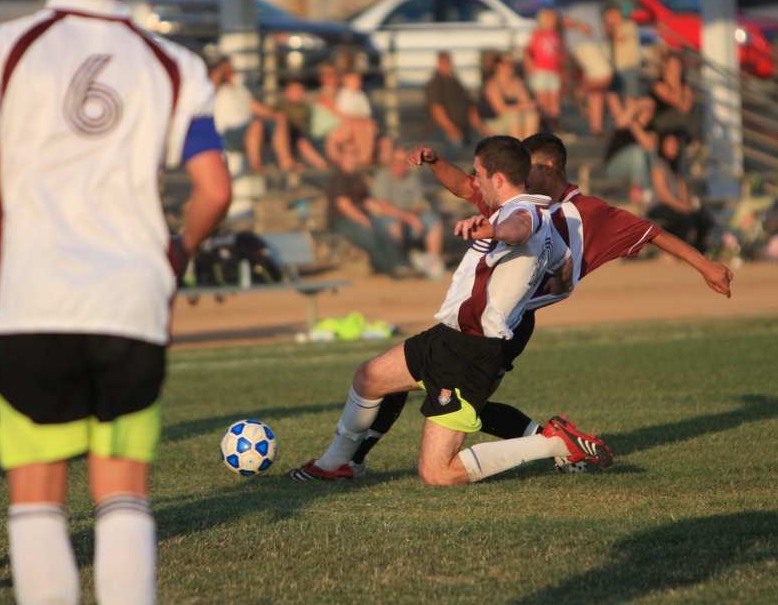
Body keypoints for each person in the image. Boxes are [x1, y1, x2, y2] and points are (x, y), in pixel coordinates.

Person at [0, 0, 232, 603]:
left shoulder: (2, 45)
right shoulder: (172, 61)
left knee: (37, 492)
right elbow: (214, 187)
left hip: (32, 296)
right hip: (130, 298)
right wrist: (178, 250)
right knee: (122, 486)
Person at [347, 133, 734, 476]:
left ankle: (551, 443)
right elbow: (467, 188)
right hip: (494, 316)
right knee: (434, 385)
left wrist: (706, 266)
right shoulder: (516, 200)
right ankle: (556, 444)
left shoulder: (586, 212)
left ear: (547, 168)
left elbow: (652, 232)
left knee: (459, 401)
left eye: (528, 168)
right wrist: (434, 162)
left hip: (508, 322)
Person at [286, 135, 611, 487]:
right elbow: (564, 264)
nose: (476, 181)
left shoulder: (524, 214)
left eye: (479, 174)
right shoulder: (542, 214)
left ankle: (551, 442)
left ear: (498, 179)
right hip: (448, 336)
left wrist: (494, 230)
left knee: (437, 472)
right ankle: (336, 464)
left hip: (471, 352)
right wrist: (557, 285)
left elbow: (518, 230)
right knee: (370, 377)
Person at [327, 140, 417, 279]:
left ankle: (403, 265)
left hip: (360, 217)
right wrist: (363, 219)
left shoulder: (357, 176)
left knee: (385, 231)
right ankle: (392, 269)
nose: (354, 156)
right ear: (341, 156)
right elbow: (344, 205)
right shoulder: (340, 177)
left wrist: (388, 214)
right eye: (350, 153)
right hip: (341, 221)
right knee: (370, 239)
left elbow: (367, 201)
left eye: (355, 152)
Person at [554, 0, 614, 136]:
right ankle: (581, 91)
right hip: (581, 42)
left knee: (599, 89)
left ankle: (596, 127)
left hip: (598, 41)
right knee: (606, 75)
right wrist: (579, 25)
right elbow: (559, 19)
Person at [369, 144, 446, 279]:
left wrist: (413, 214)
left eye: (403, 161)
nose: (400, 165)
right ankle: (399, 265)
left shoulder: (411, 178)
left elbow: (419, 203)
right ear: (391, 162)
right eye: (397, 161)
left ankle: (432, 263)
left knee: (434, 221)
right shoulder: (382, 176)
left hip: (410, 216)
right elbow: (383, 206)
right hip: (388, 217)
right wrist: (408, 218)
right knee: (394, 226)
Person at [211, 58, 297, 174]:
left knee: (278, 119)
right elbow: (214, 78)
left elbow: (260, 110)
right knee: (257, 124)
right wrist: (222, 68)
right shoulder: (216, 90)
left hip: (250, 129)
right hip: (228, 134)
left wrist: (278, 115)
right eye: (228, 70)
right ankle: (255, 164)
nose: (231, 72)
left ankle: (286, 162)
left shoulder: (241, 91)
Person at [648, 131, 714, 254]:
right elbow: (662, 192)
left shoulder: (678, 166)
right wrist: (680, 206)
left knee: (703, 218)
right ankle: (676, 252)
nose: (674, 148)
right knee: (685, 220)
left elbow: (682, 188)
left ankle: (698, 251)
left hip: (676, 205)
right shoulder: (659, 164)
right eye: (670, 144)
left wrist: (685, 204)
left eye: (675, 144)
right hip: (660, 206)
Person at [423, 51, 492, 158]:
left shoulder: (456, 82)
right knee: (456, 143)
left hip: (465, 128)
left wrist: (482, 129)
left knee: (487, 143)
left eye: (448, 62)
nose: (447, 65)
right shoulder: (435, 83)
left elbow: (470, 108)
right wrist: (451, 129)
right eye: (443, 62)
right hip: (440, 131)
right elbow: (436, 110)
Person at [603, 98, 658, 206]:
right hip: (615, 167)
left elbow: (649, 144)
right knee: (637, 152)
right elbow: (620, 122)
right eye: (644, 109)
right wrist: (634, 113)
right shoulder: (626, 122)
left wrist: (633, 124)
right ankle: (647, 191)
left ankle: (643, 186)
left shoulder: (652, 127)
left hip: (637, 172)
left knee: (652, 152)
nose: (648, 112)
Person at [523, 7, 568, 136]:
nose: (551, 22)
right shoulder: (537, 34)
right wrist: (530, 66)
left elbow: (560, 54)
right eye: (548, 19)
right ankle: (544, 127)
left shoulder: (557, 34)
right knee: (542, 101)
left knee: (554, 101)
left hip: (553, 71)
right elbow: (527, 51)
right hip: (540, 70)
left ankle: (555, 127)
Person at [272, 80, 330, 171]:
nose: (299, 93)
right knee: (302, 144)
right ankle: (324, 167)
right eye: (295, 91)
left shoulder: (305, 106)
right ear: (287, 92)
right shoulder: (280, 106)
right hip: (291, 136)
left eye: (300, 91)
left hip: (305, 135)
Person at [479, 53, 539, 139]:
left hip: (513, 116)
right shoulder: (492, 85)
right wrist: (522, 106)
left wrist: (527, 105)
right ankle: (516, 148)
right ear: (498, 66)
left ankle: (527, 147)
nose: (512, 66)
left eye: (512, 63)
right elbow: (501, 109)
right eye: (508, 64)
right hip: (494, 121)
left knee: (532, 115)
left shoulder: (517, 82)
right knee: (514, 117)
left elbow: (525, 101)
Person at [603, 1, 643, 129]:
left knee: (630, 99)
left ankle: (633, 125)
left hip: (629, 67)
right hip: (617, 69)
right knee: (611, 95)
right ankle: (622, 120)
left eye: (612, 16)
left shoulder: (629, 25)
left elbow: (619, 37)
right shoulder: (611, 31)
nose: (610, 20)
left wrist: (610, 28)